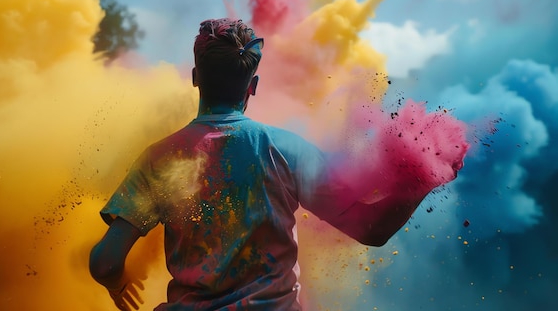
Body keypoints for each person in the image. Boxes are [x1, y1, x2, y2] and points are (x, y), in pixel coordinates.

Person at [89, 18, 467, 311]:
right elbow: (370, 230)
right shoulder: (286, 150)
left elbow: (105, 263)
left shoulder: (160, 158)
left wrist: (116, 283)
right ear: (252, 85)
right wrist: (426, 177)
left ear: (194, 79)